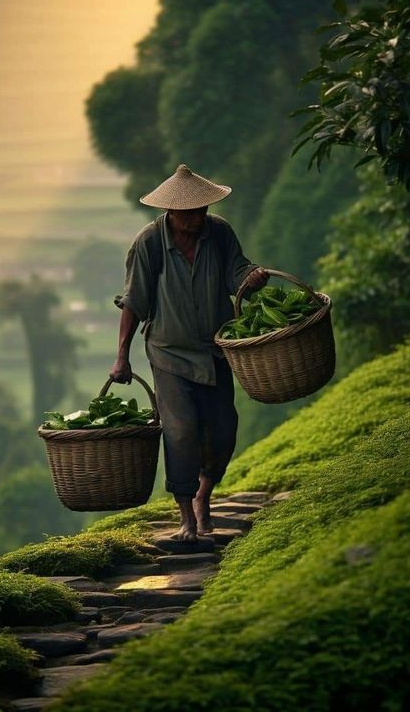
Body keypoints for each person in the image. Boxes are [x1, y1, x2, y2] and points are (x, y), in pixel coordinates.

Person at [110, 164, 268, 541]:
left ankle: (203, 496)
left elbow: (237, 274)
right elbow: (134, 301)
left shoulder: (220, 233)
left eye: (202, 211)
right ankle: (187, 518)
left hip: (215, 351)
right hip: (169, 355)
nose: (197, 218)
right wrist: (122, 356)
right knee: (181, 431)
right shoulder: (149, 244)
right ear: (170, 211)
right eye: (189, 213)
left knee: (223, 429)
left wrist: (253, 277)